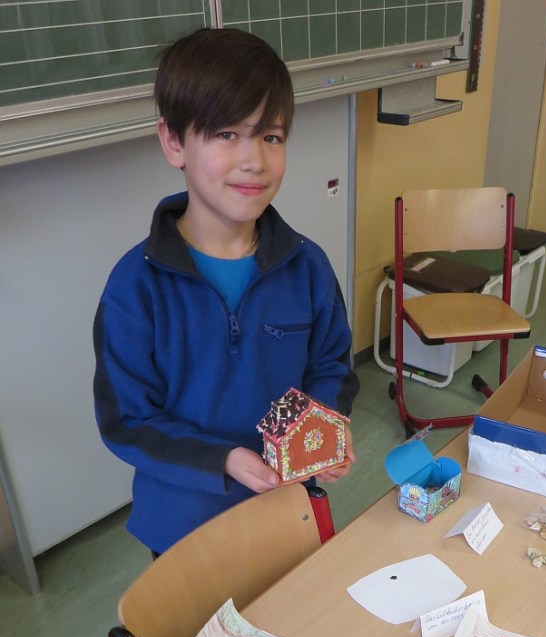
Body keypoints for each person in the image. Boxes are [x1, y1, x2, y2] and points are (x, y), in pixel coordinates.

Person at [93, 28, 358, 555]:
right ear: (174, 142)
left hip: (287, 506)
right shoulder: (135, 287)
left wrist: (325, 428)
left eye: (271, 136)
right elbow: (128, 421)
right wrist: (223, 459)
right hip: (184, 527)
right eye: (226, 134)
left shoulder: (307, 266)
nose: (253, 159)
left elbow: (331, 367)